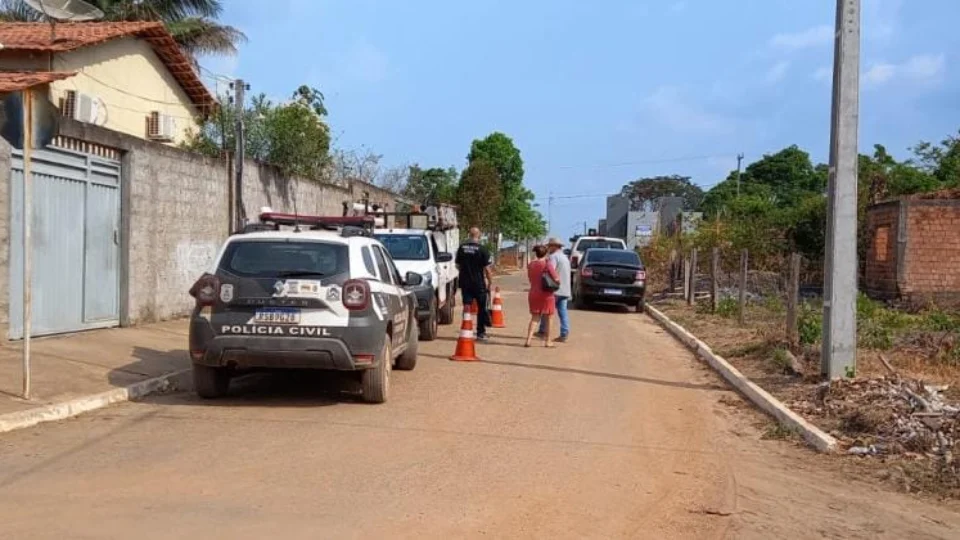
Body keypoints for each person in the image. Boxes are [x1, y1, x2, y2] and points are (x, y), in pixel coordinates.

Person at [455, 227, 493, 341]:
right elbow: (487, 269)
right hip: (478, 283)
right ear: (479, 235)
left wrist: (465, 271)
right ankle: (480, 333)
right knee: (481, 307)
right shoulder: (482, 249)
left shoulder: (461, 248)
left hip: (465, 282)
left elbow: (457, 265)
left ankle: (466, 330)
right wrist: (490, 281)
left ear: (469, 235)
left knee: (467, 306)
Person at [536, 238, 571, 342]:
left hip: (554, 289)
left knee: (546, 310)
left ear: (555, 246)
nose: (549, 248)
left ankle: (543, 331)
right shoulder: (565, 258)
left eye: (550, 246)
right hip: (565, 290)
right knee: (563, 312)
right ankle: (564, 333)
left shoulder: (553, 257)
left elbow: (550, 271)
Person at [525, 245, 561, 348]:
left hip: (533, 293)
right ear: (546, 253)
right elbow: (556, 278)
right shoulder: (547, 264)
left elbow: (530, 278)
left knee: (535, 317)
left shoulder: (531, 264)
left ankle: (528, 340)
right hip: (546, 294)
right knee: (549, 317)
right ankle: (548, 341)